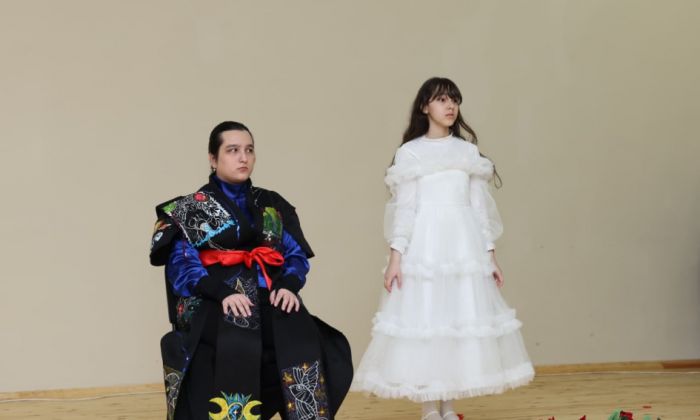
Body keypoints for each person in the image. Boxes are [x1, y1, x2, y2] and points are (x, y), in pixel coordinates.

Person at [351, 78, 534, 420]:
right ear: (425, 107)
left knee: (457, 319)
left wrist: (490, 255)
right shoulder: (410, 153)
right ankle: (429, 408)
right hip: (426, 247)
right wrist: (396, 258)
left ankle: (448, 407)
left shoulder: (467, 153)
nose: (450, 106)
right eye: (441, 100)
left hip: (463, 247)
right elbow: (405, 209)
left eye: (454, 100)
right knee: (428, 320)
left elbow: (479, 209)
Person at [149, 121, 352, 420]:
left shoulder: (271, 203)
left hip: (269, 294)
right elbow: (184, 266)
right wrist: (222, 294)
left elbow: (295, 255)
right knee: (237, 342)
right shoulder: (191, 208)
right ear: (213, 158)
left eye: (249, 150)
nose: (243, 157)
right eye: (232, 150)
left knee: (304, 337)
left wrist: (288, 285)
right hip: (214, 298)